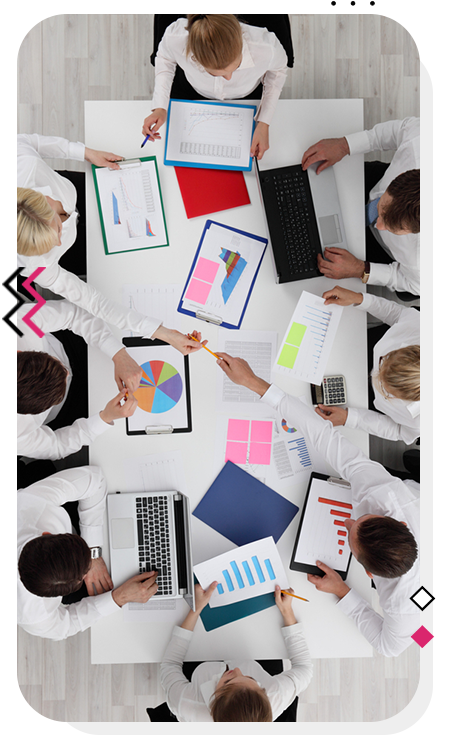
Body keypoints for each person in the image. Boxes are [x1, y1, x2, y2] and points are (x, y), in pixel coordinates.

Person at [216, 353, 420, 657]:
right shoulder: (388, 494)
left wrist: (342, 591)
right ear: (401, 523)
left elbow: (388, 647)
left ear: (369, 575)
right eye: (360, 520)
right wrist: (254, 383)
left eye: (350, 534)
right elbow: (322, 436)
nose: (349, 521)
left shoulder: (402, 610)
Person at [15, 132, 204, 356]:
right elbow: (94, 302)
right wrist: (163, 333)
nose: (59, 242)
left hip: (71, 193)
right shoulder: (36, 263)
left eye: (56, 230)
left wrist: (85, 153)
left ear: (43, 202)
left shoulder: (23, 163)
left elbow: (30, 141)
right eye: (49, 246)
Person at [16, 465, 159, 640]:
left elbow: (95, 480)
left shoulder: (27, 505)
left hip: (30, 496)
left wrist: (94, 551)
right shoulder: (33, 616)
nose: (89, 566)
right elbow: (68, 625)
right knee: (97, 592)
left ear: (47, 534)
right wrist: (119, 597)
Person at [142, 12, 288, 160]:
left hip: (247, 96)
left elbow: (279, 70)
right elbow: (165, 59)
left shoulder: (266, 47)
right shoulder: (176, 37)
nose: (229, 78)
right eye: (217, 74)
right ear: (195, 58)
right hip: (192, 91)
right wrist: (160, 107)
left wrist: (264, 122)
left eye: (236, 67)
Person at [160, 582, 313, 721]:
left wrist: (196, 609)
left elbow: (170, 665)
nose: (238, 670)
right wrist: (287, 612)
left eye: (228, 682)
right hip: (252, 652)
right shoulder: (274, 696)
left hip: (198, 666)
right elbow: (304, 669)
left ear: (214, 700)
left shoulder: (186, 703)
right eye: (251, 678)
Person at [301, 117, 420, 296]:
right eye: (382, 209)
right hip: (373, 186)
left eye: (391, 227)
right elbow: (399, 129)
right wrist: (344, 145)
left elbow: (412, 284)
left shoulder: (424, 262)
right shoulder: (421, 141)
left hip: (383, 252)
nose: (378, 226)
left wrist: (360, 269)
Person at [14, 299, 144, 461]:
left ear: (16, 351)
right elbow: (57, 447)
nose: (68, 374)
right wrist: (105, 417)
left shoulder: (16, 324)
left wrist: (119, 354)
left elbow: (74, 315)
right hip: (71, 408)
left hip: (72, 344)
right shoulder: (13, 435)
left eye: (58, 365)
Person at [314, 285, 420, 444]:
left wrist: (350, 418)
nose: (375, 374)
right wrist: (360, 299)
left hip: (366, 399)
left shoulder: (422, 423)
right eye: (385, 360)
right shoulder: (422, 328)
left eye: (386, 389)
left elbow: (399, 430)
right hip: (361, 347)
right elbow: (398, 315)